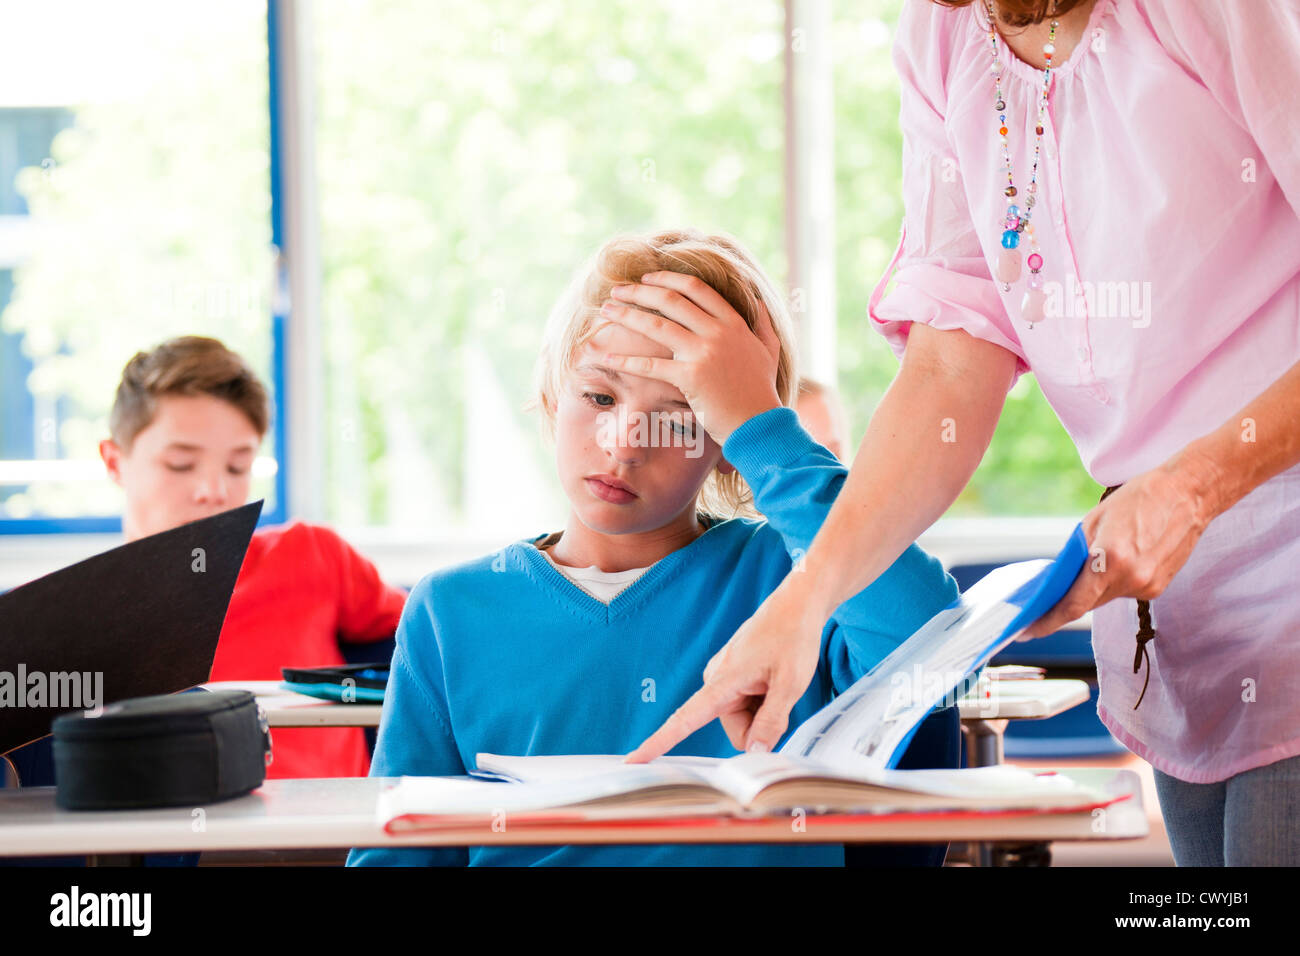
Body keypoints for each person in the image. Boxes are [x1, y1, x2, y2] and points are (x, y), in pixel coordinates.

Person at [620, 0, 1300, 866]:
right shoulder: (943, 44)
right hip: (1185, 610)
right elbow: (951, 365)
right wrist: (804, 602)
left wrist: (1197, 482)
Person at [347, 228, 960, 866]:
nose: (623, 444)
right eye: (600, 396)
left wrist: (765, 429)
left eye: (678, 416)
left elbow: (930, 636)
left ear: (726, 443)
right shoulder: (451, 610)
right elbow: (398, 853)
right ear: (556, 395)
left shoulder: (801, 578)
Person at [98, 336, 407, 779]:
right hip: (170, 842)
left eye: (238, 467)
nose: (215, 491)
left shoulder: (311, 556)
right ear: (114, 462)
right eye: (181, 464)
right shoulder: (73, 616)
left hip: (335, 838)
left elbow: (439, 637)